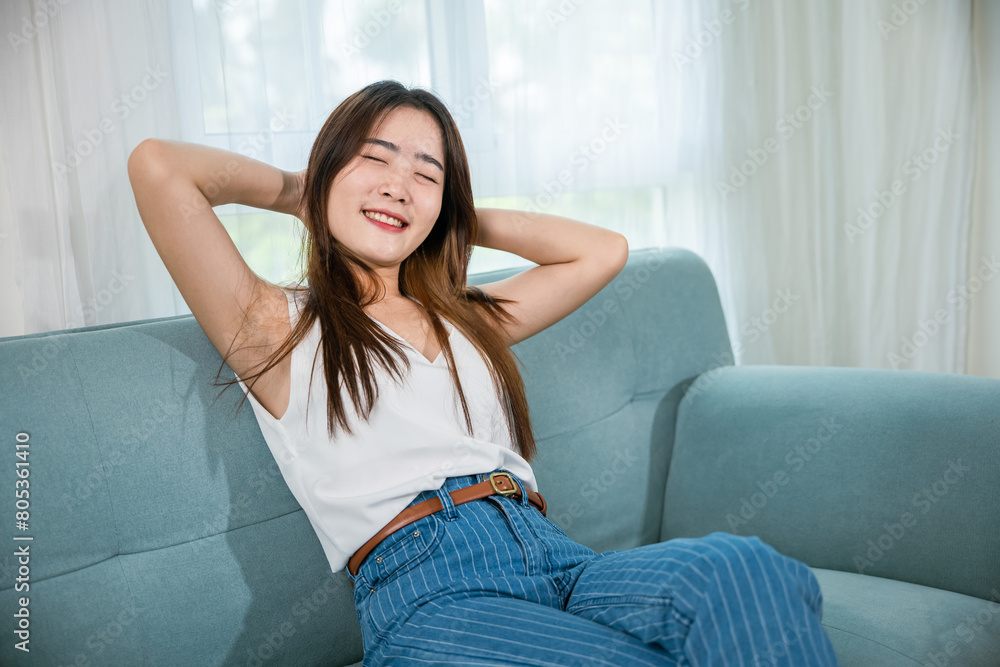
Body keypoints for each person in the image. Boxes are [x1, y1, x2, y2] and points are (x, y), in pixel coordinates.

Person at [127, 80, 839, 666]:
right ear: (328, 168)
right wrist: (303, 190)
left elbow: (601, 251)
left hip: (560, 559)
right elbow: (159, 167)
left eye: (425, 174)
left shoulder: (467, 317)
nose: (398, 186)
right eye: (373, 159)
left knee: (746, 570)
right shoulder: (277, 326)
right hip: (431, 594)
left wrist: (456, 215)